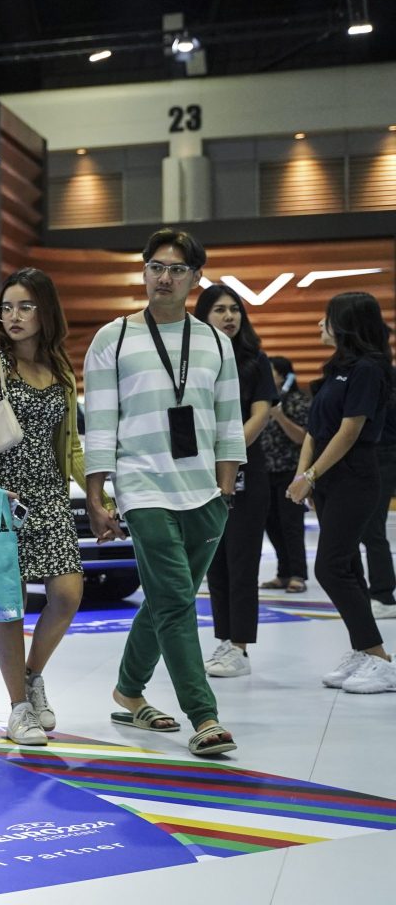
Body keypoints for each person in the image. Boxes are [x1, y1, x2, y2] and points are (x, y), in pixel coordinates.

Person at [83, 228, 245, 758]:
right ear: (144, 271)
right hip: (142, 486)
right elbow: (100, 422)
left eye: (176, 269)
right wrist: (97, 495)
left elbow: (228, 421)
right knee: (176, 600)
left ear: (195, 278)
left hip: (204, 494)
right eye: (156, 267)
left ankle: (128, 691)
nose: (164, 278)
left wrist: (225, 490)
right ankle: (204, 716)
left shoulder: (216, 342)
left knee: (165, 598)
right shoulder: (113, 338)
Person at [0, 267, 94, 747]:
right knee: (7, 604)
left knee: (68, 595)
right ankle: (18, 708)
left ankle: (31, 677)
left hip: (49, 495)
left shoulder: (60, 369)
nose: (13, 316)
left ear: (46, 311)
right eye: (6, 308)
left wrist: (98, 497)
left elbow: (70, 446)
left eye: (26, 307)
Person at [286, 292, 396, 692]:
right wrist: (304, 476)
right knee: (346, 565)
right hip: (328, 480)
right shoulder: (337, 369)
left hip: (355, 477)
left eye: (327, 318)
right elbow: (315, 431)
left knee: (330, 567)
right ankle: (364, 651)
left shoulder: (369, 369)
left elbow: (350, 432)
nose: (320, 324)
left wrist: (312, 475)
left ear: (348, 324)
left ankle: (380, 658)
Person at [194, 285, 275, 678]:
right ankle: (225, 639)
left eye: (235, 309)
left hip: (245, 472)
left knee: (242, 561)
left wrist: (226, 452)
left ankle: (240, 646)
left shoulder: (255, 361)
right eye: (219, 310)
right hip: (200, 475)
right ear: (203, 316)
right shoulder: (192, 361)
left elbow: (261, 414)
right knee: (215, 563)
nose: (229, 316)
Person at [259, 356, 311, 594]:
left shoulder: (297, 401)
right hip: (265, 471)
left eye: (270, 371)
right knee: (271, 524)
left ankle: (298, 575)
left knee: (291, 525)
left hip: (290, 471)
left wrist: (279, 416)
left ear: (283, 375)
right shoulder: (262, 401)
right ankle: (283, 573)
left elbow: (302, 438)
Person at [359, 362, 396, 620]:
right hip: (374, 454)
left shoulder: (373, 371)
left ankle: (383, 595)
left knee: (372, 529)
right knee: (370, 529)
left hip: (382, 454)